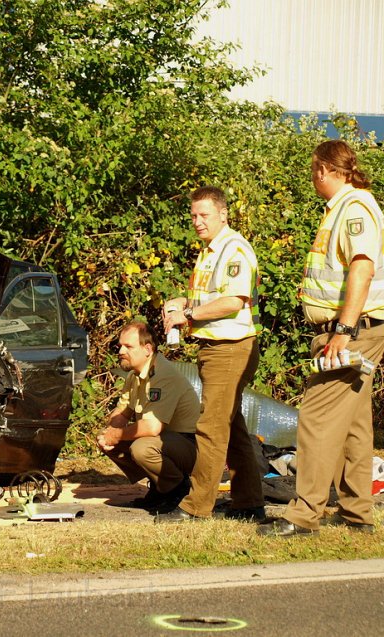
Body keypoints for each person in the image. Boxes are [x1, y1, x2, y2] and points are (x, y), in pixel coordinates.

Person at [258, 140, 384, 537]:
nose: (313, 176)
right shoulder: (346, 208)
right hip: (356, 329)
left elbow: (362, 270)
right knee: (354, 426)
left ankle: (303, 516)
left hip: (352, 331)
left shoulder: (354, 209)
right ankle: (357, 514)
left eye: (314, 169)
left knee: (315, 418)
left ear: (324, 169)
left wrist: (343, 331)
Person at [155, 186, 265, 523]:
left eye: (204, 215)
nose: (198, 221)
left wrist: (187, 316)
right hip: (215, 347)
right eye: (193, 216)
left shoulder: (233, 250)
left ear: (223, 213)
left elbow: (234, 301)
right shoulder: (210, 251)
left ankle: (196, 506)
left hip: (230, 348)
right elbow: (213, 300)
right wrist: (183, 304)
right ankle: (248, 503)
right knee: (230, 427)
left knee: (211, 428)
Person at [97, 320, 200, 511]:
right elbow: (123, 411)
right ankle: (160, 486)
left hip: (189, 444)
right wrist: (109, 433)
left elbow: (152, 427)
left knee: (142, 448)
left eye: (128, 346)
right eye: (120, 346)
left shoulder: (163, 375)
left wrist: (118, 434)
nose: (120, 351)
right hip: (164, 442)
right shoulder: (134, 375)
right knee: (111, 440)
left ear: (147, 349)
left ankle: (178, 488)